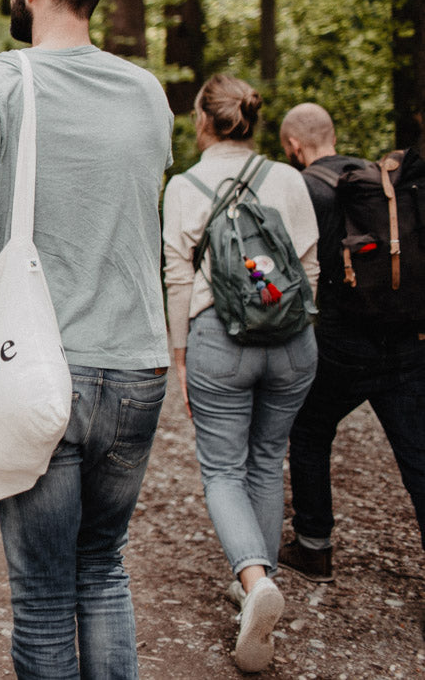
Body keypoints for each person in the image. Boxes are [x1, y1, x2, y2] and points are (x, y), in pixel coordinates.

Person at [0, 0, 173, 678]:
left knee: (40, 595)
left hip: (41, 369)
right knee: (103, 570)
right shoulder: (148, 92)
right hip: (138, 368)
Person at [162, 76, 319, 672]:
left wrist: (179, 354)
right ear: (252, 120)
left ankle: (254, 583)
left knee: (223, 467)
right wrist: (301, 336)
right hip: (291, 339)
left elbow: (178, 278)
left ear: (203, 119)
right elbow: (309, 270)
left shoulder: (184, 186)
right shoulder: (288, 179)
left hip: (219, 340)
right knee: (267, 456)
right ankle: (261, 581)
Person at [278, 103, 425, 579]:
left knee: (310, 429)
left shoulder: (303, 188)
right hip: (404, 340)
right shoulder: (379, 181)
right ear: (333, 136)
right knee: (418, 457)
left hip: (341, 345)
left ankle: (314, 546)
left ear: (293, 146)